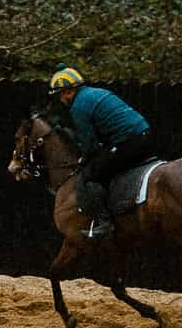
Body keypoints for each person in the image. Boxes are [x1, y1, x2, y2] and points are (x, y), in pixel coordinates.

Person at [47, 65, 154, 242]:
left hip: (129, 143)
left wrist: (84, 161)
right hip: (145, 135)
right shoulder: (97, 92)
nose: (61, 99)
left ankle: (104, 223)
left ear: (69, 91)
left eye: (61, 94)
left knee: (91, 176)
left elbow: (89, 145)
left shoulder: (78, 107)